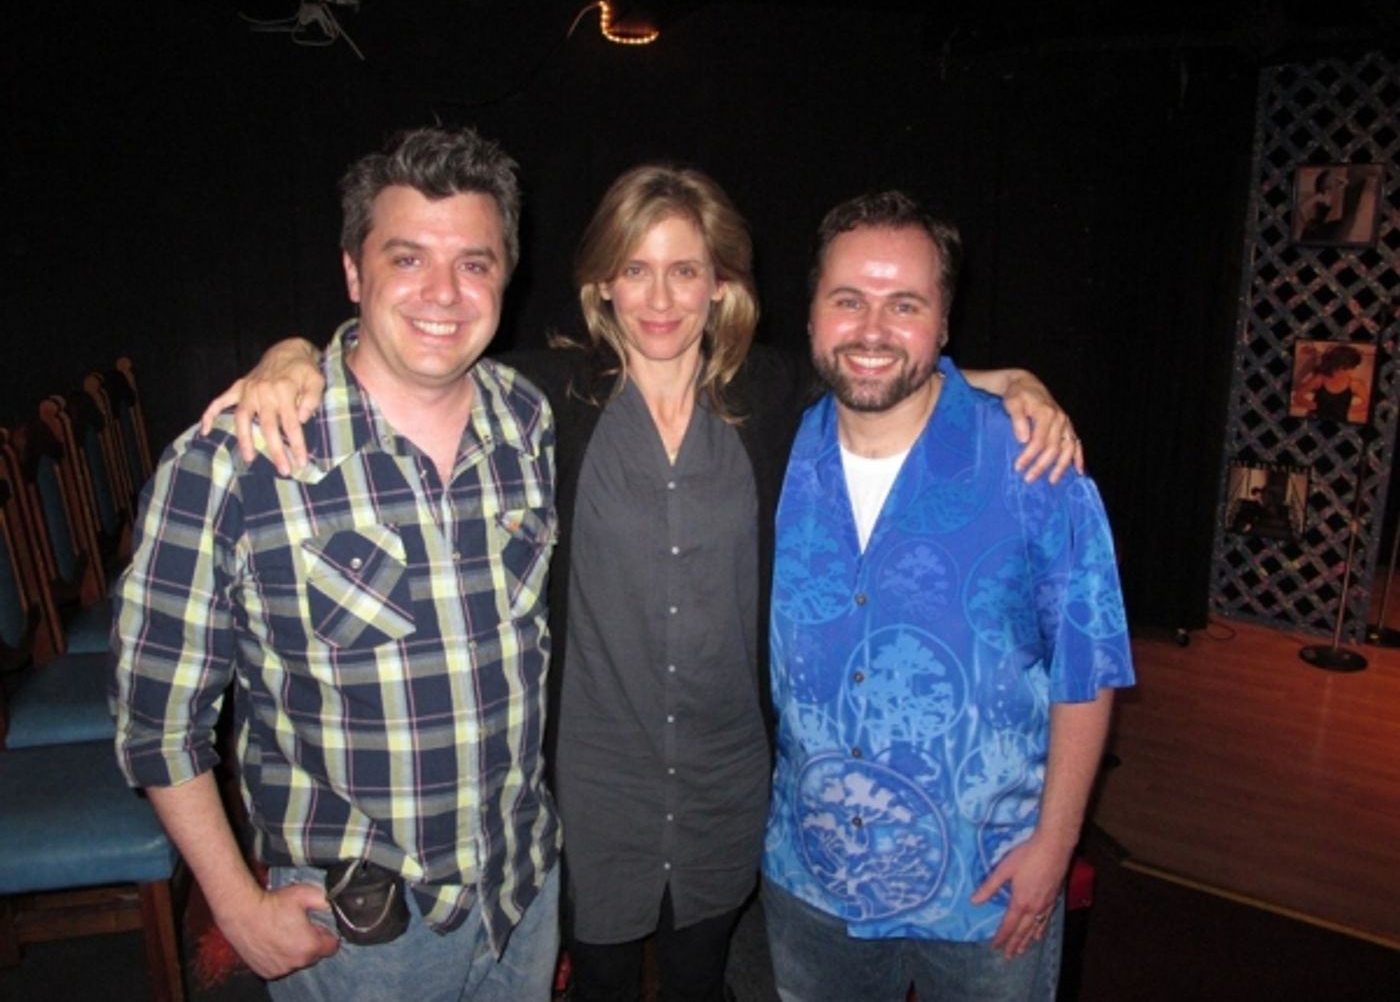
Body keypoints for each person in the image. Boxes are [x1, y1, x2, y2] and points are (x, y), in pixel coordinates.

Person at [205, 166, 1083, 1002]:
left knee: (703, 978)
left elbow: (884, 369)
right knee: (601, 984)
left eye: (684, 271)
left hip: (725, 778)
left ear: (721, 285)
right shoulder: (541, 400)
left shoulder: (772, 398)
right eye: (636, 269)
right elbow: (405, 364)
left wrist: (1016, 386)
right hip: (591, 786)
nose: (660, 299)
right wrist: (294, 356)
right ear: (603, 286)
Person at [113, 126, 562, 1001]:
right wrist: (236, 906)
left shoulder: (527, 420)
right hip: (360, 938)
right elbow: (156, 717)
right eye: (407, 258)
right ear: (354, 274)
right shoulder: (235, 460)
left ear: (506, 276)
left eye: (475, 262)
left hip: (523, 896)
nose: (443, 292)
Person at [761, 191, 1134, 1002]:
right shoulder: (771, 448)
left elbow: (1089, 664)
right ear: (814, 312)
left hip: (988, 885)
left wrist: (1055, 844)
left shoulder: (1032, 466)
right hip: (811, 877)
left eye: (906, 305)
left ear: (944, 322)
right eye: (848, 300)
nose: (871, 329)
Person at [1292, 343, 1368, 423]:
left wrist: (1346, 409)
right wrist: (1317, 407)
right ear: (1341, 366)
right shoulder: (1320, 378)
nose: (1354, 369)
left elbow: (1366, 404)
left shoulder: (1355, 384)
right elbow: (1297, 397)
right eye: (1352, 367)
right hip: (1315, 419)